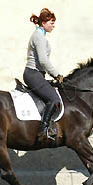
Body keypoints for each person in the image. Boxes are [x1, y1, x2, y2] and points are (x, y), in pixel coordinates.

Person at [23, 8, 63, 140]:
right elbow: (43, 60)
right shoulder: (39, 37)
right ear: (44, 22)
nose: (53, 25)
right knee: (54, 99)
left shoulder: (40, 36)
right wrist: (56, 74)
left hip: (37, 74)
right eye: (51, 22)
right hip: (33, 74)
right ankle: (43, 129)